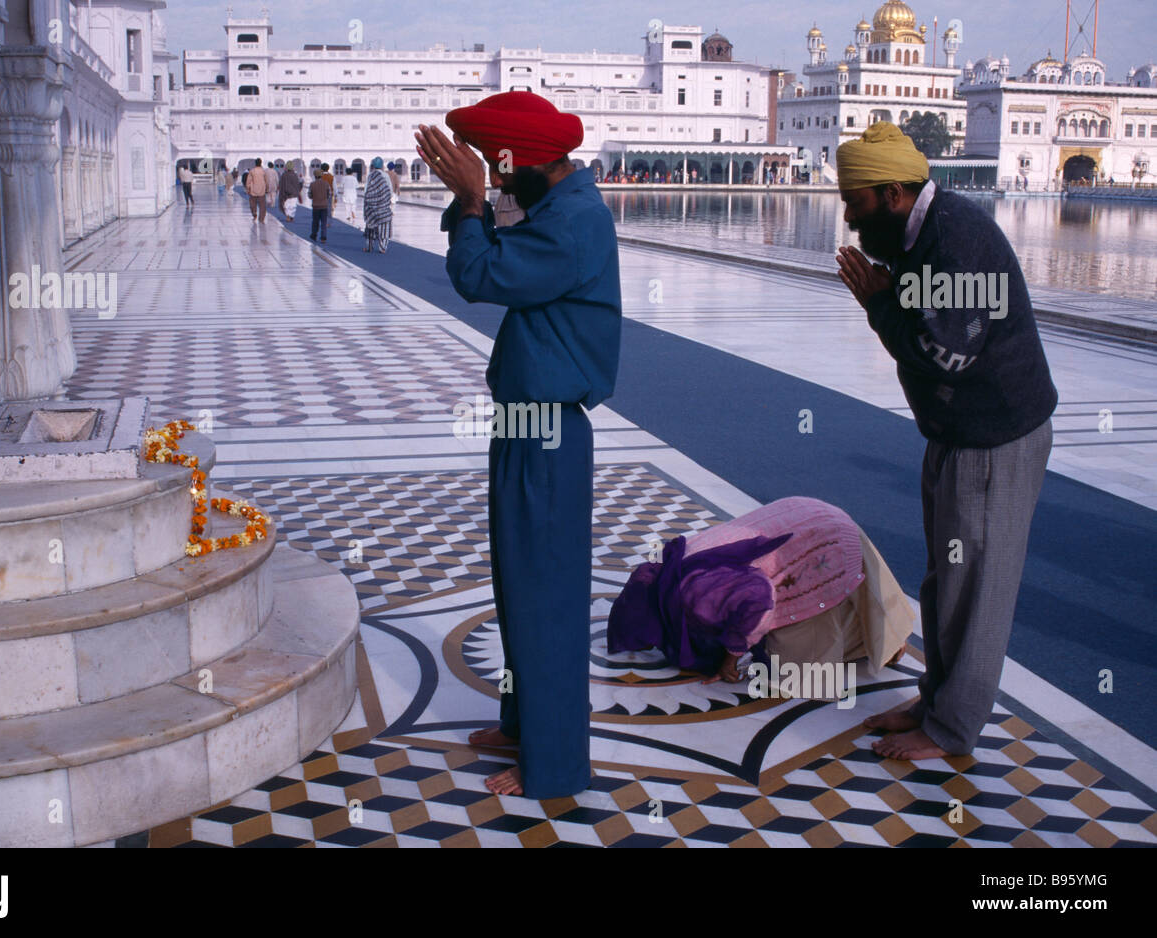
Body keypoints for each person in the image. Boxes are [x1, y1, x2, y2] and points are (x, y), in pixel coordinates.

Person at [416, 90, 621, 799]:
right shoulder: (556, 209)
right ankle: (523, 720)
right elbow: (497, 251)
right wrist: (473, 200)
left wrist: (472, 203)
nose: (500, 184)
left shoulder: (573, 225)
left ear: (528, 160)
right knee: (520, 592)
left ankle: (556, 764)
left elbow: (480, 274)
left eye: (503, 172)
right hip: (526, 427)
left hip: (549, 434)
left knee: (549, 601)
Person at [833, 122, 1056, 761]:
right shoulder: (918, 232)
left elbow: (946, 352)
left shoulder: (955, 241)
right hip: (959, 431)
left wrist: (879, 305)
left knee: (977, 586)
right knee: (946, 578)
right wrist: (887, 297)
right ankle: (937, 697)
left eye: (857, 202)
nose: (850, 218)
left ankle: (953, 729)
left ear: (896, 192)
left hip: (995, 434)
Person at [607, 497, 914, 686]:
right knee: (851, 594)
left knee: (796, 671)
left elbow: (759, 598)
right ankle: (888, 636)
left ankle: (884, 643)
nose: (652, 646)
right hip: (804, 515)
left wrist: (730, 659)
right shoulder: (669, 575)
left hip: (820, 537)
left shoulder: (694, 596)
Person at [362, 157, 392, 252]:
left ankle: (369, 246)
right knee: (384, 226)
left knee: (370, 225)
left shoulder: (370, 176)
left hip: (371, 205)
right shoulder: (385, 176)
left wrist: (369, 201)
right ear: (382, 165)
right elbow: (389, 190)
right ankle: (383, 247)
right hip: (383, 205)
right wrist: (385, 200)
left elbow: (366, 190)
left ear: (373, 165)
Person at [308, 167, 331, 242]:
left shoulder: (312, 184)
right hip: (324, 205)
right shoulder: (326, 184)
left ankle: (314, 235)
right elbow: (329, 194)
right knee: (324, 222)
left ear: (315, 176)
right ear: (321, 176)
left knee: (315, 221)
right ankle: (323, 237)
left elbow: (309, 195)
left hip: (316, 206)